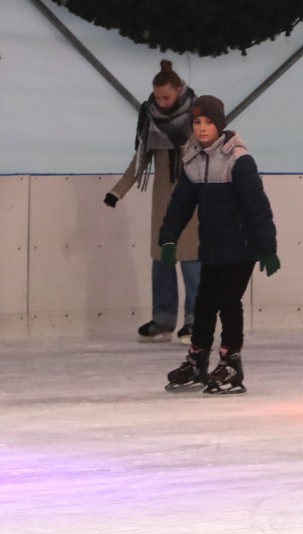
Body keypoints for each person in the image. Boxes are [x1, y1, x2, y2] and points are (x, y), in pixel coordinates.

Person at [159, 95, 280, 395]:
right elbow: (180, 205)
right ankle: (198, 360)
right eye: (197, 122)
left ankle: (231, 364)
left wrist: (268, 247)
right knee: (204, 304)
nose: (201, 128)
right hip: (212, 247)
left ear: (220, 125)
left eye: (208, 122)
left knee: (228, 301)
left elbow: (257, 206)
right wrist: (168, 238)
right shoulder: (193, 161)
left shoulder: (238, 160)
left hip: (242, 247)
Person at [104, 60, 201, 344]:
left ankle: (196, 320)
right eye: (157, 97)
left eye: (166, 97)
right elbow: (140, 159)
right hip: (163, 201)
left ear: (180, 90)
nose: (161, 102)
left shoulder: (199, 117)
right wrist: (118, 191)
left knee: (192, 261)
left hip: (192, 200)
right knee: (162, 260)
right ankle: (163, 320)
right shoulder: (150, 117)